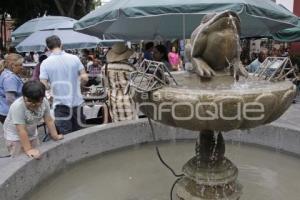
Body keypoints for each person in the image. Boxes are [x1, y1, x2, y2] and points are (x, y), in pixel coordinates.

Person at [40, 35, 88, 135]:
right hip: (77, 103)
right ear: (62, 45)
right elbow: (85, 78)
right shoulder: (74, 58)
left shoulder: (45, 63)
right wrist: (78, 85)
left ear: (48, 48)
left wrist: (51, 87)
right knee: (81, 134)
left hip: (60, 104)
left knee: (66, 136)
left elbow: (43, 85)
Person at [3, 81, 63, 158]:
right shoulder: (18, 107)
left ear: (42, 98)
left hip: (31, 132)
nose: (33, 104)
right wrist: (28, 149)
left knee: (37, 154)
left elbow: (49, 120)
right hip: (15, 136)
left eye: (37, 101)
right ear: (23, 97)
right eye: (30, 101)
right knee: (21, 158)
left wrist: (55, 135)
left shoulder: (44, 103)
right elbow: (21, 130)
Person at [104, 43, 137, 122]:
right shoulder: (130, 68)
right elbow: (136, 85)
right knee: (131, 124)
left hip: (113, 100)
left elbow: (105, 85)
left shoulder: (104, 68)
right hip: (128, 99)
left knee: (117, 125)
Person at [0, 53, 24, 124]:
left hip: (7, 111)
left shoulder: (8, 74)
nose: (22, 67)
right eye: (21, 65)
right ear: (13, 65)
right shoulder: (10, 78)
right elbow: (10, 99)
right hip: (9, 113)